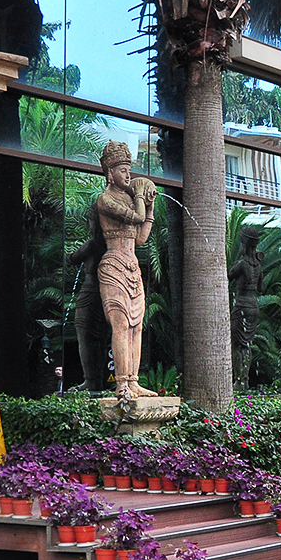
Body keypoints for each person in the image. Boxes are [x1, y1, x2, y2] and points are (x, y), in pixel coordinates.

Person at [95, 140, 158, 398]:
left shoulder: (131, 201)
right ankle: (121, 383)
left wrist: (150, 206)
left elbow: (141, 238)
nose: (128, 175)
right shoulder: (106, 200)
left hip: (133, 268)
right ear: (110, 173)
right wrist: (141, 196)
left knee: (137, 326)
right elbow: (137, 218)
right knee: (121, 324)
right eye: (123, 170)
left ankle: (133, 381)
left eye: (129, 170)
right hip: (113, 266)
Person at [65, 201, 107, 392]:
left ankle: (90, 380)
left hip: (90, 293)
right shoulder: (110, 246)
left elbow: (72, 259)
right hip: (105, 294)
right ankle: (97, 380)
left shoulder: (92, 245)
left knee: (85, 336)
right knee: (100, 339)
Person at [229, 225, 262, 388]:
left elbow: (228, 276)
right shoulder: (258, 265)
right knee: (247, 345)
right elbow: (260, 287)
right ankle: (245, 379)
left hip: (241, 305)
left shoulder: (242, 264)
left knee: (237, 345)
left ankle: (239, 380)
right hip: (253, 305)